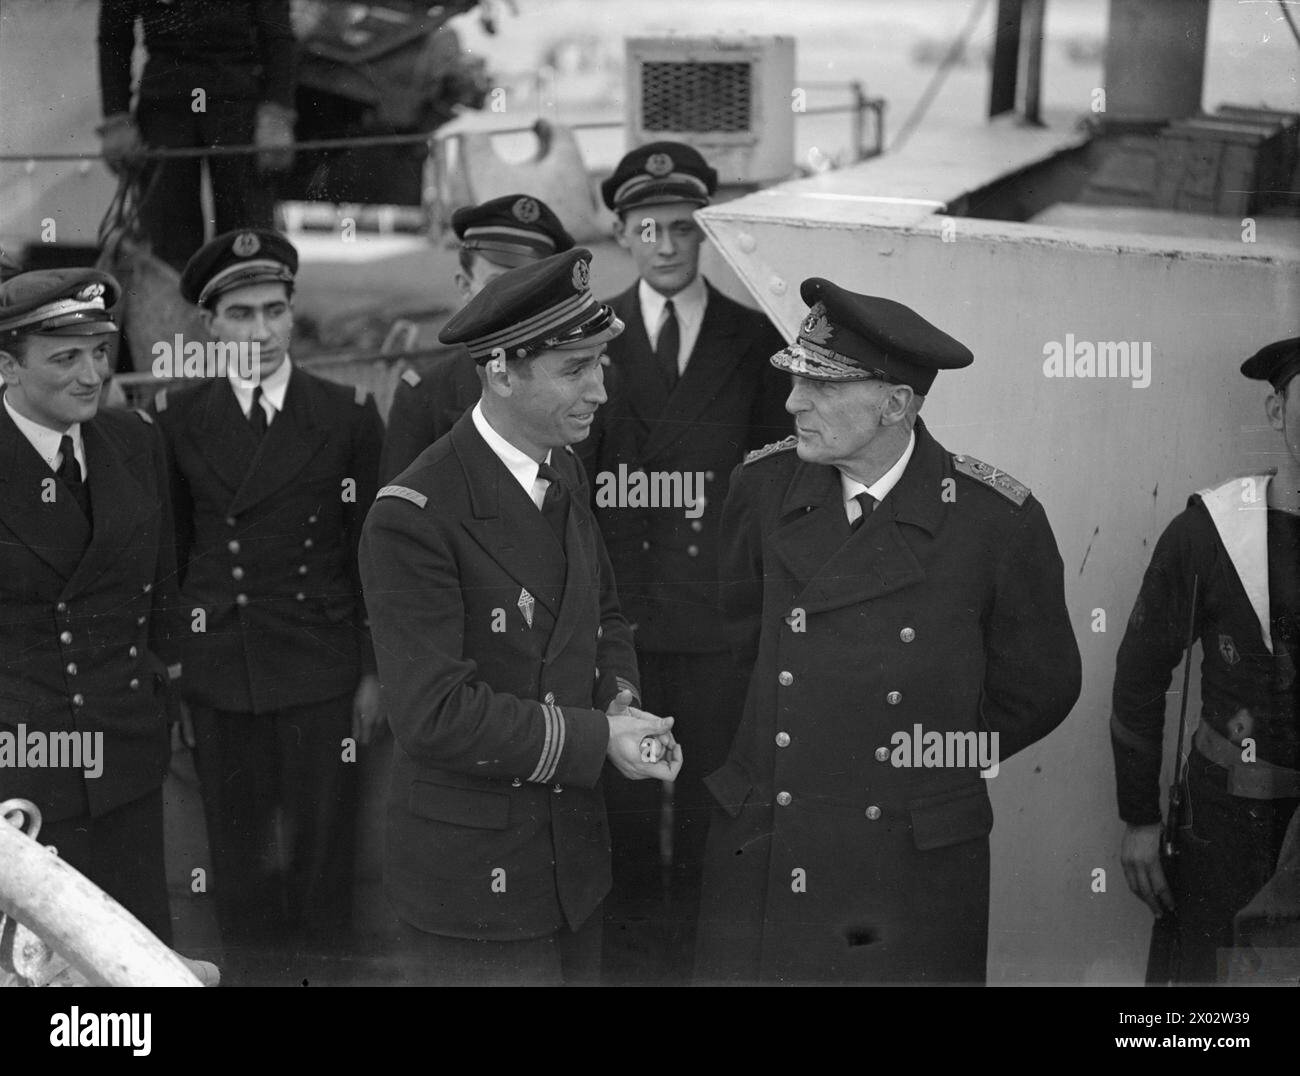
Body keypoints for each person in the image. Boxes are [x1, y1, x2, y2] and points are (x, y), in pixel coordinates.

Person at [695, 278, 1082, 983]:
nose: (792, 404)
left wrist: (933, 756)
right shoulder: (760, 489)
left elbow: (1042, 687)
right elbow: (739, 645)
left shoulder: (994, 521)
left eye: (822, 387)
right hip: (775, 833)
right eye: (795, 380)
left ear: (896, 405)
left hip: (912, 848)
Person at [360, 247, 682, 985]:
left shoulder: (560, 466)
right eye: (576, 369)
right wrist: (601, 735)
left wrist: (622, 703)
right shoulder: (413, 515)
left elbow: (602, 613)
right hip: (475, 881)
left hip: (570, 864)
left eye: (601, 363)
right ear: (501, 370)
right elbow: (435, 715)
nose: (600, 390)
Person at [150, 229, 383, 981]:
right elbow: (174, 559)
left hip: (318, 670)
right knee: (238, 863)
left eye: (274, 311)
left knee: (324, 862)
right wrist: (180, 666)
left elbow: (367, 558)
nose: (260, 330)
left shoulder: (347, 415)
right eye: (242, 314)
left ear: (292, 316)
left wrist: (371, 672)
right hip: (223, 672)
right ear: (211, 327)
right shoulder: (178, 422)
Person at [589, 140, 790, 981]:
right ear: (622, 233)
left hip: (717, 622)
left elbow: (779, 484)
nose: (665, 245)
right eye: (647, 228)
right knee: (625, 814)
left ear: (704, 231)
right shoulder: (590, 335)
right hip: (625, 618)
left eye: (681, 227)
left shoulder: (753, 341)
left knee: (713, 807)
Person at [0, 269, 182, 942]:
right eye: (64, 356)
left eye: (101, 351)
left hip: (126, 766)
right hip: (21, 780)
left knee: (134, 961)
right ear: (6, 366)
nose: (92, 374)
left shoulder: (135, 443)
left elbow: (164, 589)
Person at [1112, 336, 1300, 984]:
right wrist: (1139, 818)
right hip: (1228, 833)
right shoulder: (1210, 533)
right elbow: (1140, 676)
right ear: (1277, 412)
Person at [379, 194, 574, 483]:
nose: (517, 299)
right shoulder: (424, 397)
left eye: (531, 283)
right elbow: (398, 516)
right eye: (497, 283)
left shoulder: (589, 385)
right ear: (465, 286)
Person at [97, 0, 298, 271]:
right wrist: (116, 119)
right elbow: (113, 36)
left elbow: (279, 36)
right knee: (166, 245)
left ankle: (242, 309)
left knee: (247, 241)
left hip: (238, 108)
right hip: (165, 108)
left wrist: (277, 115)